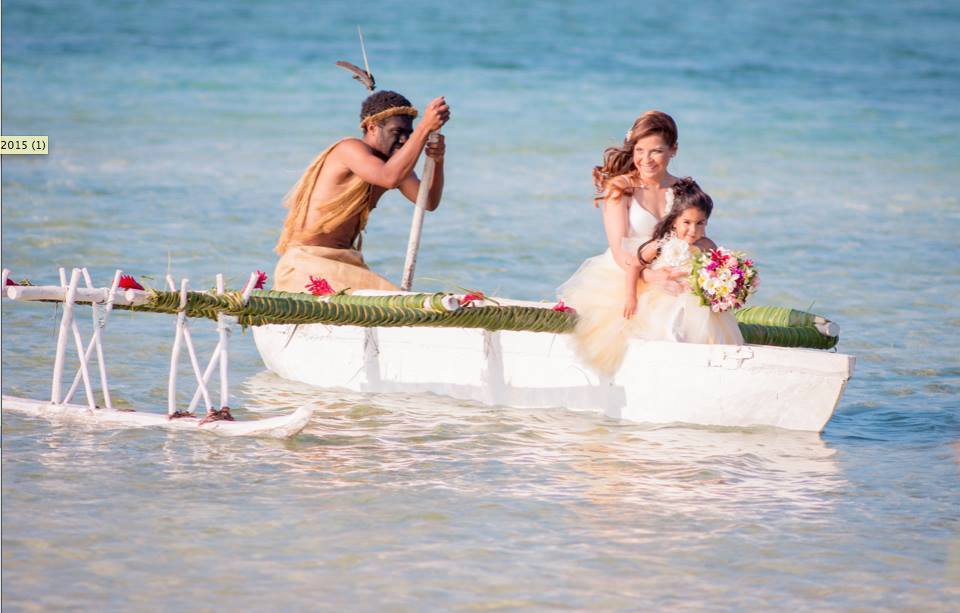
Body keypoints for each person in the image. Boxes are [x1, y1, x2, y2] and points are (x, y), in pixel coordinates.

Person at [558, 110, 695, 376]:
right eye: (639, 150)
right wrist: (652, 277)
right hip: (626, 271)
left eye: (656, 151)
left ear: (673, 150)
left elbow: (695, 236)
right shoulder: (620, 188)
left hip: (673, 267)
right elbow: (619, 249)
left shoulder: (686, 190)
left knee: (696, 309)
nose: (646, 159)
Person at [273, 91, 450, 293]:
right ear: (372, 127)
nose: (404, 140)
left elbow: (428, 201)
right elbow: (388, 178)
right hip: (308, 263)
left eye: (408, 134)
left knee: (400, 304)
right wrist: (424, 128)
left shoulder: (394, 165)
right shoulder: (349, 149)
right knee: (396, 303)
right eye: (397, 132)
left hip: (346, 263)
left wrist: (437, 160)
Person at [629, 178, 743, 345]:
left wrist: (725, 289)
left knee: (706, 326)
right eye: (687, 222)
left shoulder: (706, 245)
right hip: (664, 296)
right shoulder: (661, 244)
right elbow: (634, 266)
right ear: (674, 221)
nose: (693, 230)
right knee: (674, 320)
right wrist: (630, 297)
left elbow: (718, 271)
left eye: (700, 223)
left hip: (695, 299)